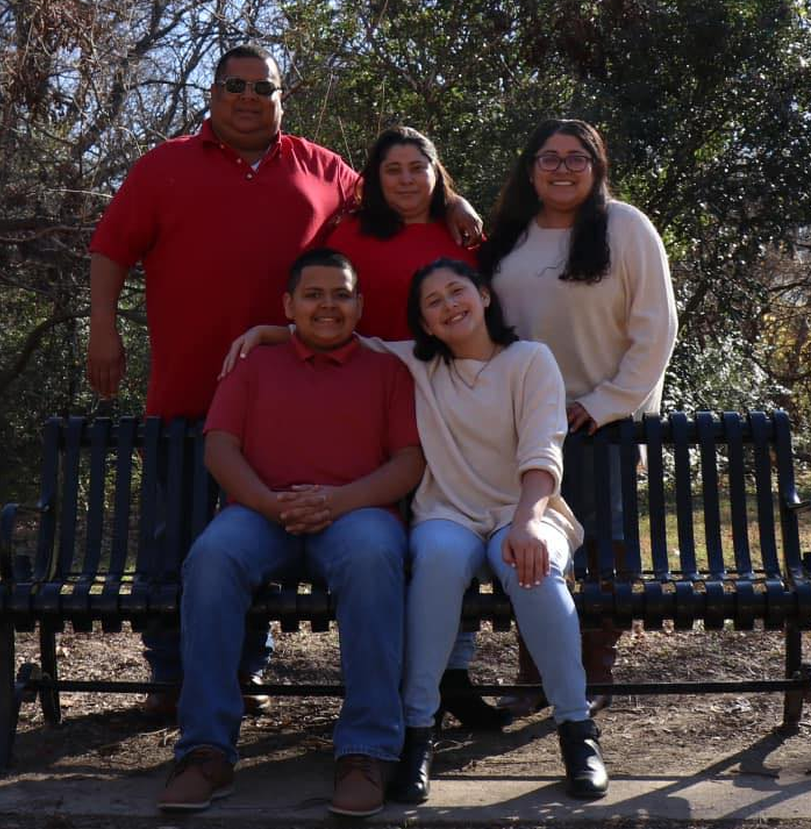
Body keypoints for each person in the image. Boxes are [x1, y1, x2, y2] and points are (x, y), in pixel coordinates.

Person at [85, 45, 482, 718]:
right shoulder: (163, 166)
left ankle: (247, 669)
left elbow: (402, 190)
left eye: (261, 87)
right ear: (213, 93)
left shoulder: (322, 168)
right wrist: (103, 328)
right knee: (175, 540)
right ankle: (171, 673)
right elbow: (111, 247)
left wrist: (457, 202)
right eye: (234, 85)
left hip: (287, 400)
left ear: (281, 97)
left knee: (262, 535)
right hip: (186, 391)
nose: (248, 97)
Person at [224, 259, 609, 802]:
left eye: (458, 292)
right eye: (433, 302)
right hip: (448, 515)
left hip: (523, 510)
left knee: (535, 569)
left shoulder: (530, 360)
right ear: (425, 324)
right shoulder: (417, 364)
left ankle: (576, 730)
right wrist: (273, 332)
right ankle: (418, 732)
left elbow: (543, 450)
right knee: (434, 564)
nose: (449, 306)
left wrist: (526, 523)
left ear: (483, 296)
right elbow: (343, 336)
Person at [157, 249, 424, 818]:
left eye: (341, 295)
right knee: (211, 559)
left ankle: (367, 751)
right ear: (288, 305)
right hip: (260, 513)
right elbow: (220, 448)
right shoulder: (252, 366)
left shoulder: (388, 371)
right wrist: (270, 504)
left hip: (356, 514)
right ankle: (206, 750)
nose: (328, 306)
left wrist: (336, 501)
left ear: (359, 304)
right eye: (313, 294)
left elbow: (407, 462)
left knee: (376, 558)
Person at [478, 118, 678, 717]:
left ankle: (594, 672)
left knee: (603, 551)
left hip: (599, 421)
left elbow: (656, 329)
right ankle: (534, 674)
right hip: (520, 422)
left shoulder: (625, 227)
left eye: (576, 158)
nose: (562, 169)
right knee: (528, 547)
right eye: (549, 157)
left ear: (596, 167)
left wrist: (606, 402)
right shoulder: (507, 236)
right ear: (530, 169)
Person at [327, 126, 504, 731]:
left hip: (454, 405)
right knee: (389, 541)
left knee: (449, 536)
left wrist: (457, 206)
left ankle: (452, 674)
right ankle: (386, 682)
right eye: (392, 169)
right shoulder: (350, 235)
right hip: (372, 402)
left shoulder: (465, 235)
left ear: (436, 172)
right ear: (374, 179)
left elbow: (487, 314)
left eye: (416, 167)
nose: (405, 179)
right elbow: (324, 304)